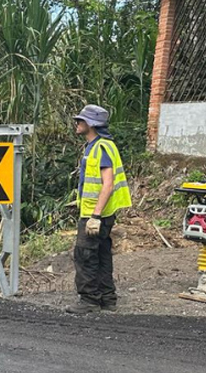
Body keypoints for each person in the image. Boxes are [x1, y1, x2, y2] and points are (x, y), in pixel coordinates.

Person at [67, 105, 132, 314]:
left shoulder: (100, 147)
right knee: (102, 254)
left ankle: (89, 300)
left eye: (81, 120)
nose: (77, 123)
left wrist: (94, 215)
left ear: (91, 124)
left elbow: (107, 184)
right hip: (101, 212)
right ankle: (107, 298)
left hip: (95, 214)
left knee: (85, 255)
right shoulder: (101, 145)